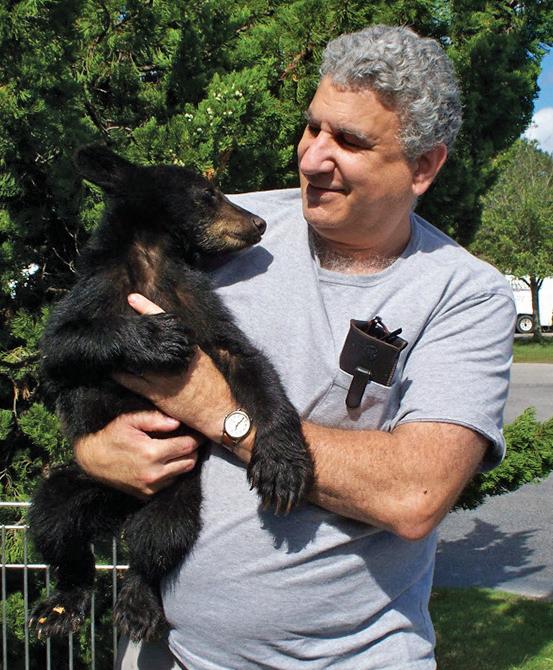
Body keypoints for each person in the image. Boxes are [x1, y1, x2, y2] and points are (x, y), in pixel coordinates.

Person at [76, 25, 515, 669]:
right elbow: (91, 339)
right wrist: (92, 449)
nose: (311, 158)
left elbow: (415, 494)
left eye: (350, 141)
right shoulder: (230, 228)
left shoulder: (464, 292)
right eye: (313, 128)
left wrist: (216, 408)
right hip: (170, 653)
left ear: (423, 166)